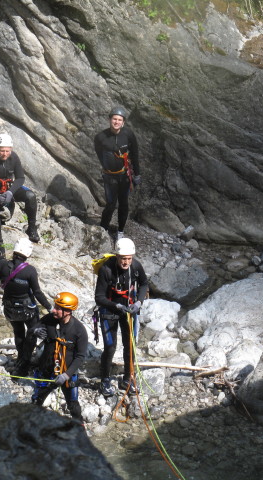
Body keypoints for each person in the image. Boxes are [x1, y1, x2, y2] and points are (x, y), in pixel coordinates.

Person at [0, 237, 51, 376]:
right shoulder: (30, 271)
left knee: (18, 332)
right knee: (31, 333)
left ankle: (20, 359)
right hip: (28, 309)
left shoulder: (2, 265)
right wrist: (49, 306)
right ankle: (25, 362)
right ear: (28, 254)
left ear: (14, 250)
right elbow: (37, 292)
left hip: (10, 308)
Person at [94, 237, 148, 396]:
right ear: (117, 256)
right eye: (123, 259)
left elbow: (144, 284)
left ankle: (127, 379)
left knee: (130, 346)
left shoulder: (136, 266)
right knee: (110, 347)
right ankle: (105, 380)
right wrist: (116, 305)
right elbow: (99, 297)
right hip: (109, 311)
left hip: (129, 311)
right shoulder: (106, 270)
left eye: (129, 258)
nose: (126, 262)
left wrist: (138, 302)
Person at [0, 133, 40, 258]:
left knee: (30, 196)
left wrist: (10, 192)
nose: (4, 154)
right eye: (2, 151)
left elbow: (20, 178)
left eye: (7, 151)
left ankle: (32, 228)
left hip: (7, 191)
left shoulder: (13, 157)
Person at [30, 292, 87, 422]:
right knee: (37, 401)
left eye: (58, 308)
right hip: (46, 370)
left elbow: (80, 356)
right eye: (55, 306)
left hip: (66, 372)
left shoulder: (79, 330)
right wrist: (35, 331)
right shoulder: (49, 319)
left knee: (73, 406)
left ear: (67, 311)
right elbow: (31, 330)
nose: (53, 310)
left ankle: (79, 427)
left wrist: (66, 375)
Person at [94, 106, 141, 241]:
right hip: (109, 176)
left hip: (124, 175)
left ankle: (120, 230)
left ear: (123, 122)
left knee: (124, 203)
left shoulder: (128, 135)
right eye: (114, 119)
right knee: (110, 204)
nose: (116, 122)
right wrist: (106, 167)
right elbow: (99, 154)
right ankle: (103, 228)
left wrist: (137, 174)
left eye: (119, 120)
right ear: (110, 120)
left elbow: (135, 154)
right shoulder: (101, 137)